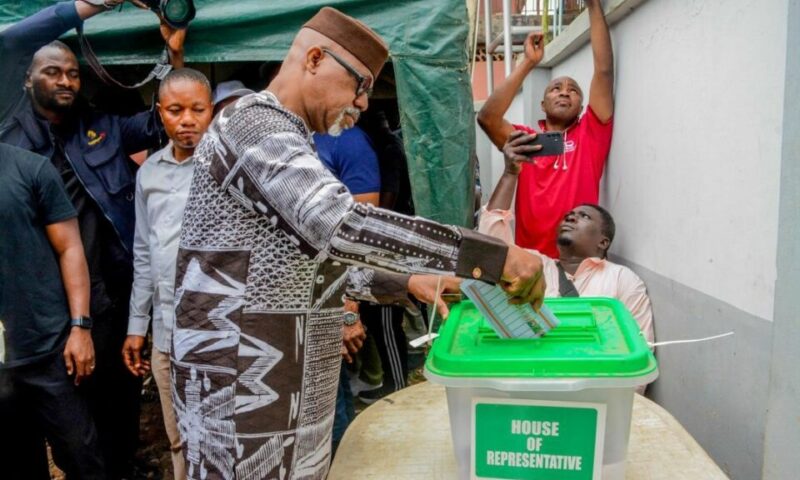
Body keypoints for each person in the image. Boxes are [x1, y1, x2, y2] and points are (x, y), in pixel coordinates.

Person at [170, 6, 545, 479]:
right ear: (313, 58)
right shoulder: (252, 126)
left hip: (288, 390)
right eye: (359, 84)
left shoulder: (292, 139)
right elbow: (340, 225)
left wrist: (409, 281)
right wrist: (491, 255)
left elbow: (314, 260)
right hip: (242, 392)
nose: (364, 103)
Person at [0, 1, 186, 477]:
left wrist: (174, 57)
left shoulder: (98, 125)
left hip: (106, 290)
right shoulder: (10, 140)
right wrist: (89, 3)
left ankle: (121, 465)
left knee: (116, 393)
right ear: (28, 79)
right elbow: (12, 41)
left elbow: (161, 121)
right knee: (65, 409)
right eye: (53, 73)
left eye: (72, 74)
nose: (65, 81)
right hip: (41, 301)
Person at [122, 68, 214, 480]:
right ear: (160, 113)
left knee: (217, 436)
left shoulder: (226, 170)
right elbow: (144, 252)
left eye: (198, 109)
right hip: (166, 331)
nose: (187, 120)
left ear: (211, 111)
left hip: (216, 332)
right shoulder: (149, 174)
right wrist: (136, 326)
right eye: (176, 110)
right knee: (177, 435)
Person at [479, 130, 654, 347]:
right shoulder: (534, 266)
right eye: (569, 215)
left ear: (603, 242)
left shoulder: (622, 280)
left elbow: (641, 350)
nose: (571, 216)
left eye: (584, 216)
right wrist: (510, 173)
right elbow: (489, 249)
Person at [477, 0, 614, 258]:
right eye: (556, 89)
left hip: (578, 263)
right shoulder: (526, 140)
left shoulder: (590, 134)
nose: (564, 92)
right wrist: (528, 62)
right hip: (531, 262)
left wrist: (594, 7)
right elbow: (487, 117)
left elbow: (604, 73)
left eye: (573, 90)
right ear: (542, 104)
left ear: (582, 105)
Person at [0, 142, 104, 479]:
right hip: (1, 363)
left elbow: (70, 247)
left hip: (50, 347)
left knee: (81, 456)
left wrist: (80, 326)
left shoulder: (31, 169)